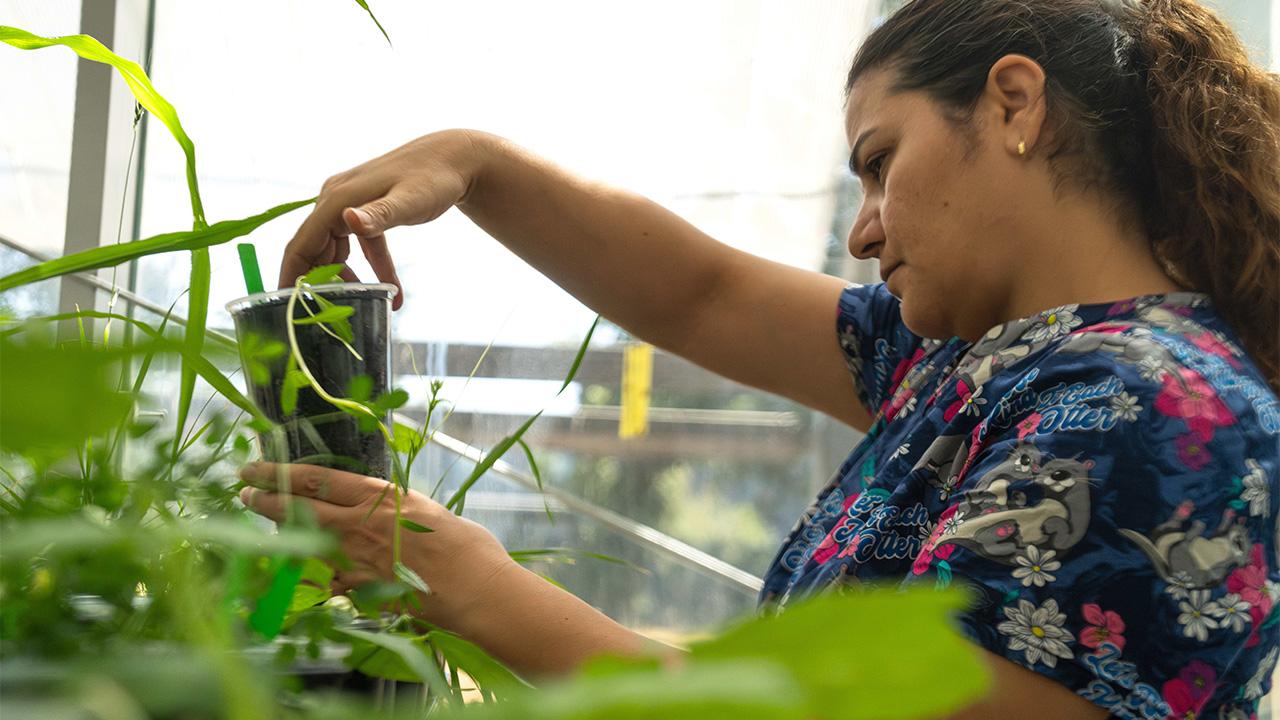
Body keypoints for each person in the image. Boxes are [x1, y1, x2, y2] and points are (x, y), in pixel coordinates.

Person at [238, 0, 1280, 716]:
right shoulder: (976, 365)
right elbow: (702, 294)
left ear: (1012, 105)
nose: (862, 232)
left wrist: (472, 587)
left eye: (879, 164)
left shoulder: (1151, 411)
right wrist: (474, 162)